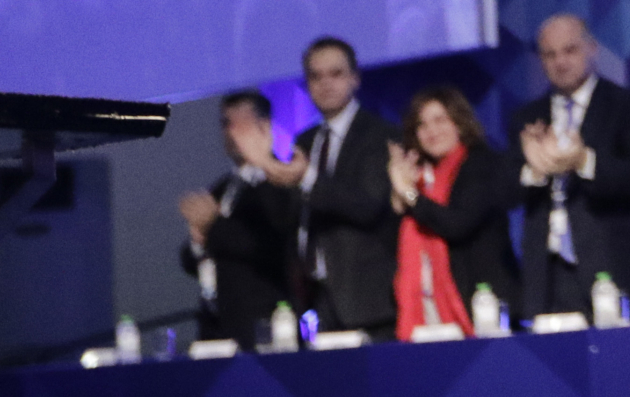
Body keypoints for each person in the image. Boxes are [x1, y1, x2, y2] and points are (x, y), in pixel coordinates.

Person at [507, 13, 630, 318]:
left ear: (592, 49)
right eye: (550, 54)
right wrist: (535, 170)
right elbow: (502, 191)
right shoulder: (527, 117)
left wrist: (584, 161)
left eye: (570, 50)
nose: (560, 62)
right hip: (549, 278)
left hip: (616, 269)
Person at [283, 36, 398, 337]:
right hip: (317, 299)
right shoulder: (305, 141)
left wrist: (308, 179)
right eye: (316, 76)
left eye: (335, 74)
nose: (325, 84)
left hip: (369, 300)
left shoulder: (379, 134)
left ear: (354, 78)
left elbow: (368, 206)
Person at [388, 87, 518, 338]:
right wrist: (398, 199)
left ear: (459, 122)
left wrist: (410, 195)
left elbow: (457, 223)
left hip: (479, 302)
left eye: (440, 120)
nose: (431, 131)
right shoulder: (417, 175)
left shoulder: (481, 163)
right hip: (427, 309)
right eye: (422, 124)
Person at [177, 89, 296, 346]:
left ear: (264, 128)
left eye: (240, 125)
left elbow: (270, 245)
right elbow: (189, 259)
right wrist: (198, 241)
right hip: (216, 325)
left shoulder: (281, 182)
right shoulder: (223, 188)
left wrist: (213, 225)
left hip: (262, 324)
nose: (230, 133)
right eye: (225, 124)